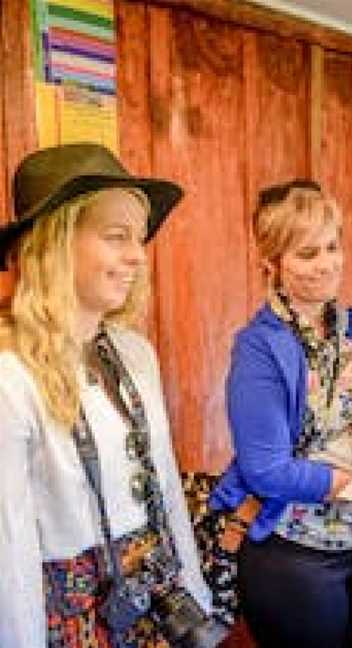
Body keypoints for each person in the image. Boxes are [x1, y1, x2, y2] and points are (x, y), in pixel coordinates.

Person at [0, 143, 213, 647]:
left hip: (153, 598)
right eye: (116, 237)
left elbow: (163, 479)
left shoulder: (134, 354)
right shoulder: (11, 375)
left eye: (139, 239)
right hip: (69, 616)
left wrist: (195, 592)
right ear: (53, 243)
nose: (137, 256)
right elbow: (8, 548)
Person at [209, 180, 352, 648]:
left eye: (332, 246)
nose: (326, 264)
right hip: (294, 555)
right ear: (272, 264)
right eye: (306, 254)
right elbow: (266, 470)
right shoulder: (258, 347)